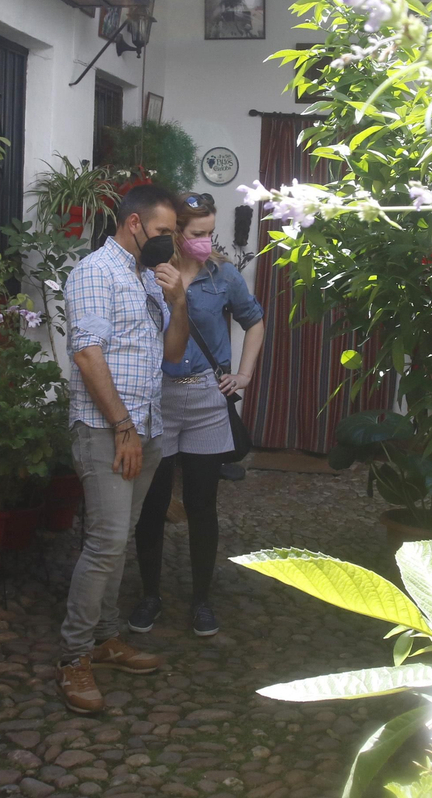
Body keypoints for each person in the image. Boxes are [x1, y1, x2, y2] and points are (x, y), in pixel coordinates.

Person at [57, 183, 190, 713]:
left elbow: (172, 353)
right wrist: (123, 428)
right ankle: (73, 658)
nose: (170, 243)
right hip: (109, 431)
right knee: (106, 541)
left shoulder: (148, 279)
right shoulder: (95, 272)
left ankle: (106, 638)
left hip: (147, 428)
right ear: (134, 223)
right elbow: (88, 355)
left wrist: (178, 300)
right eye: (162, 232)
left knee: (121, 537)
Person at [129, 191, 265, 638]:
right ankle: (150, 596)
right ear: (176, 233)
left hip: (207, 400)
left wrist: (242, 374)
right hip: (159, 399)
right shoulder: (150, 272)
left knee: (202, 505)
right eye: (197, 233)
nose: (206, 241)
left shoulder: (222, 275)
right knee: (153, 505)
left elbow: (255, 320)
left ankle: (202, 601)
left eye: (210, 232)